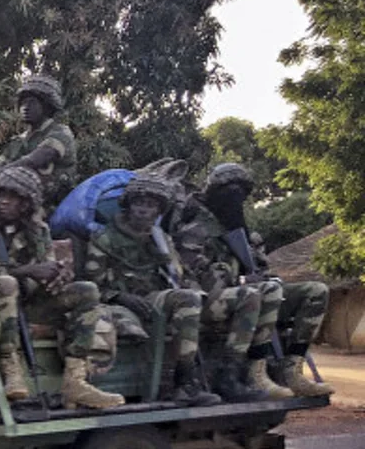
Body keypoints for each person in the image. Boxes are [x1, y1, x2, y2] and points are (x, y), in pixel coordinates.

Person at [0, 166, 124, 410]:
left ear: (26, 204)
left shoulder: (37, 232)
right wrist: (26, 271)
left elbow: (46, 265)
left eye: (13, 197)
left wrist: (57, 276)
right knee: (7, 283)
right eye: (1, 195)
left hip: (27, 303)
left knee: (86, 290)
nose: (4, 201)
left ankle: (76, 380)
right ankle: (11, 368)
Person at [175, 163, 333, 397]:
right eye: (228, 191)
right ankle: (238, 373)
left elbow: (262, 269)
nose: (235, 198)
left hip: (255, 298)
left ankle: (291, 369)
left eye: (241, 192)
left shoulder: (243, 233)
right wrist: (241, 280)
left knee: (316, 290)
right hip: (209, 301)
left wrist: (264, 278)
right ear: (213, 193)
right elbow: (195, 276)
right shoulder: (195, 230)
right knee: (258, 292)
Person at [82, 175, 221, 406]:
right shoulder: (105, 239)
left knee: (190, 298)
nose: (143, 211)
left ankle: (185, 382)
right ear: (128, 206)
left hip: (156, 297)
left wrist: (164, 255)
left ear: (158, 211)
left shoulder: (161, 239)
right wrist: (122, 297)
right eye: (138, 203)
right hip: (119, 301)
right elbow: (92, 286)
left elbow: (178, 278)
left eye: (150, 205)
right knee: (186, 300)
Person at [0, 74, 78, 208]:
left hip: (51, 207)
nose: (25, 107)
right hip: (15, 205)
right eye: (23, 102)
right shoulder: (16, 141)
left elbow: (35, 160)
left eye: (32, 102)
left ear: (47, 106)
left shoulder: (60, 132)